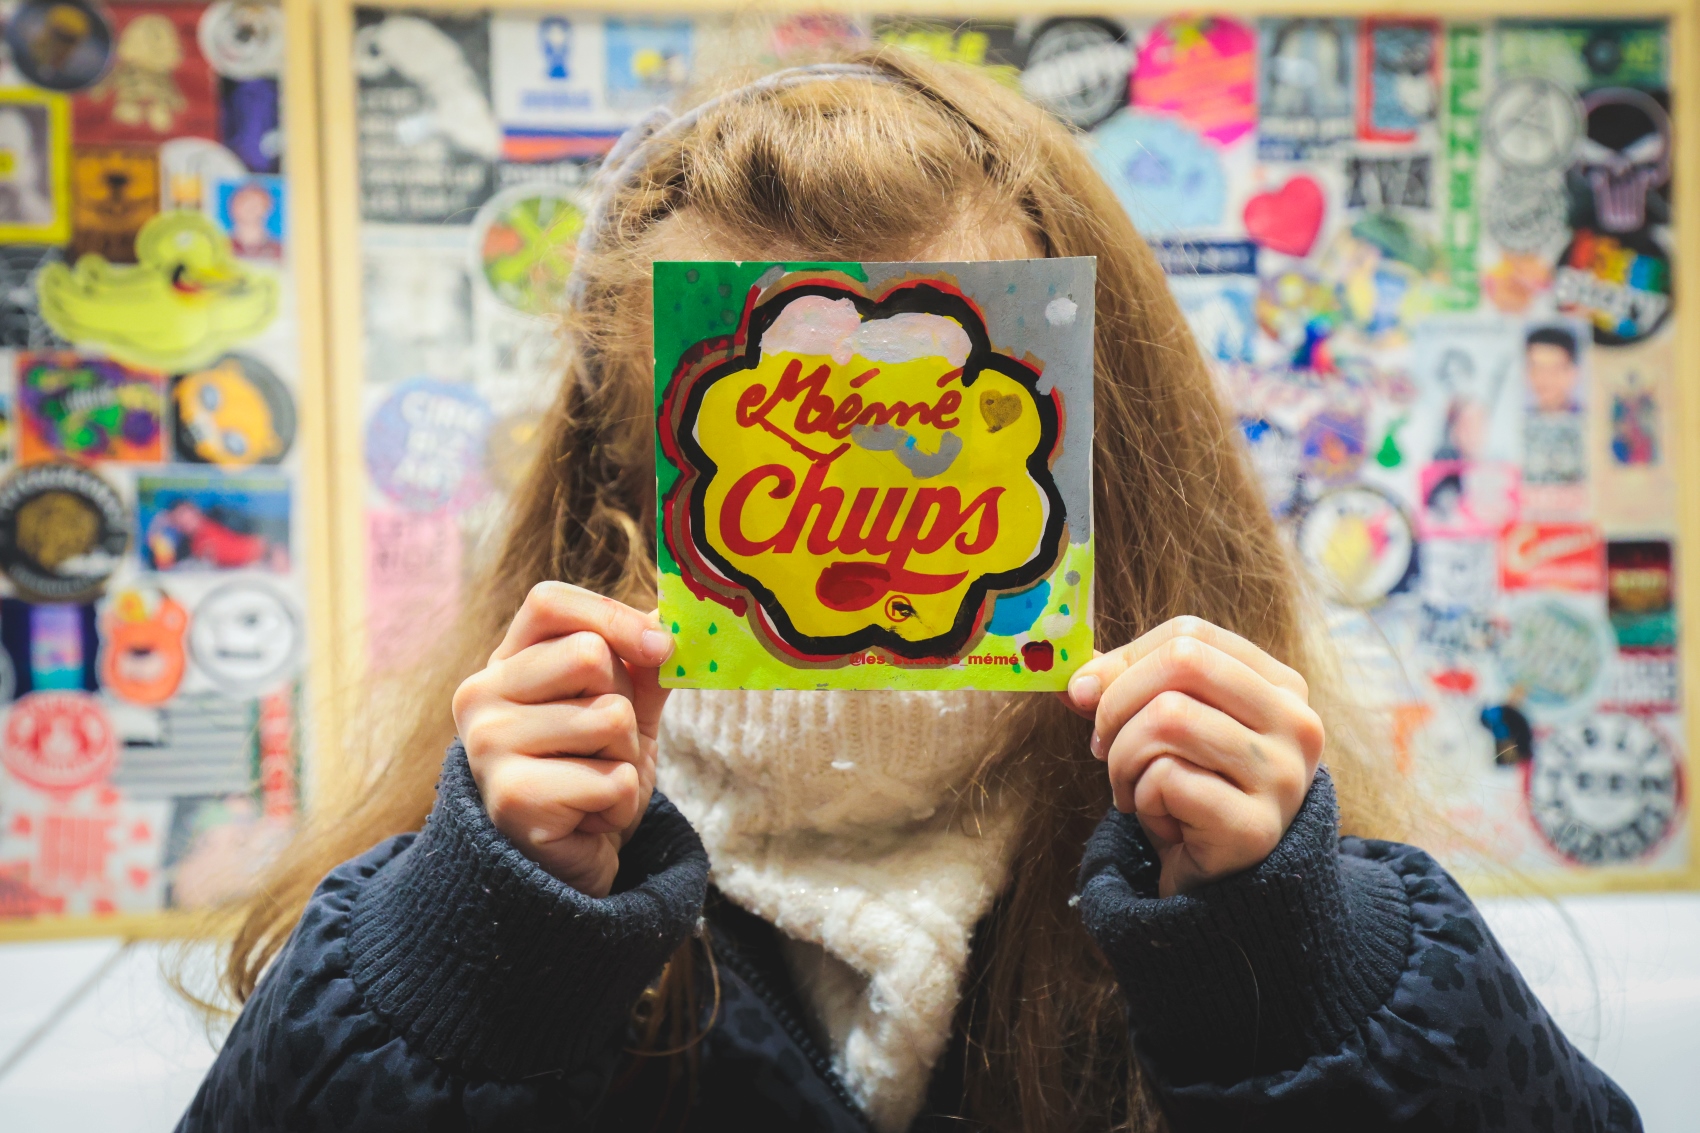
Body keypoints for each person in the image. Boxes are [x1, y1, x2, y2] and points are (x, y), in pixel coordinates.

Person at [179, 52, 1640, 1133]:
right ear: (616, 496)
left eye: (936, 437)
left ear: (1101, 461)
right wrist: (467, 955)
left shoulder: (1245, 879)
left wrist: (1302, 966)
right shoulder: (499, 884)